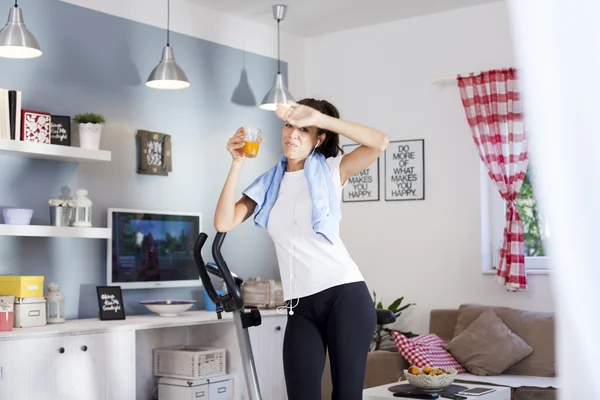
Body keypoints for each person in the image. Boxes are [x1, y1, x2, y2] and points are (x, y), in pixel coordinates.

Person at [214, 98, 390, 400]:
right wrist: (237, 162)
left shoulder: (333, 170)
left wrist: (323, 118)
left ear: (318, 138)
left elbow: (380, 143)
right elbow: (223, 222)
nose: (292, 134)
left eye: (304, 129)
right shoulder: (269, 184)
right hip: (300, 306)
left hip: (344, 295)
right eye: (288, 125)